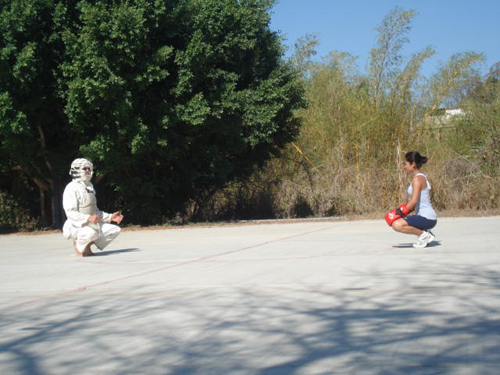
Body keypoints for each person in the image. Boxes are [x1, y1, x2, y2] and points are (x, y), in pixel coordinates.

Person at [62, 158, 123, 257]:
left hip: (92, 224)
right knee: (92, 233)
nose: (87, 171)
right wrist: (87, 218)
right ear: (76, 170)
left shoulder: (89, 186)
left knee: (114, 230)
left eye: (89, 169)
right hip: (76, 225)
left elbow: (94, 211)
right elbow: (70, 212)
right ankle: (78, 245)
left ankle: (86, 247)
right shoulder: (71, 188)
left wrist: (110, 217)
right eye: (85, 168)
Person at [388, 151, 437, 248]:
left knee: (397, 225)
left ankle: (424, 235)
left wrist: (400, 212)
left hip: (426, 217)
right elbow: (416, 203)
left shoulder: (417, 179)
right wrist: (404, 211)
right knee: (398, 222)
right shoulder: (420, 177)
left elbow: (414, 201)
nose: (404, 166)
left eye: (406, 164)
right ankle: (425, 233)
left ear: (413, 164)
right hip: (425, 217)